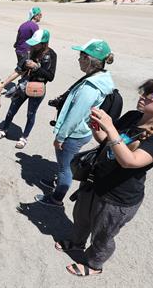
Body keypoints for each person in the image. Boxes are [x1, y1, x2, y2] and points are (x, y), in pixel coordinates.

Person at [57, 76, 153, 277]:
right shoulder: (133, 116)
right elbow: (107, 142)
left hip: (118, 198)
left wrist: (111, 128)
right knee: (81, 218)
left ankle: (94, 264)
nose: (143, 96)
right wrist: (96, 128)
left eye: (152, 94)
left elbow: (130, 161)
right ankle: (77, 243)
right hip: (95, 182)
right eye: (144, 90)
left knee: (103, 235)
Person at [36, 39, 115, 207]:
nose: (78, 59)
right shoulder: (98, 77)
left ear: (89, 60)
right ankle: (56, 181)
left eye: (81, 56)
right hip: (82, 131)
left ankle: (56, 198)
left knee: (66, 168)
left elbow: (75, 116)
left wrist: (61, 137)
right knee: (64, 163)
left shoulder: (90, 87)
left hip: (73, 134)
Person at [0, 29, 57, 149]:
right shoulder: (29, 51)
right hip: (23, 86)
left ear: (44, 43)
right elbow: (18, 70)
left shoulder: (52, 55)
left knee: (31, 114)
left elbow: (50, 77)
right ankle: (4, 129)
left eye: (36, 43)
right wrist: (3, 84)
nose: (33, 45)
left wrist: (36, 67)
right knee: (12, 109)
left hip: (37, 89)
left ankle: (24, 137)